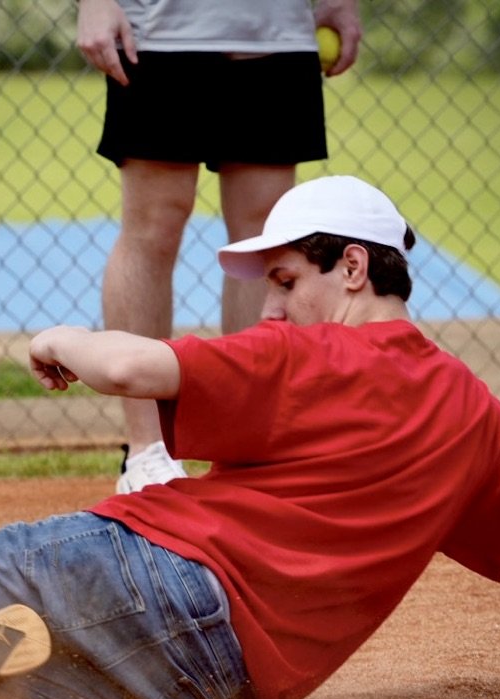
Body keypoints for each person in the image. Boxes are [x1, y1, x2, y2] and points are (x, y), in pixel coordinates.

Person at [0, 175, 500, 699]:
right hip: (225, 690)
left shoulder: (310, 355)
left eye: (286, 281)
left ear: (353, 267)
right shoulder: (481, 418)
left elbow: (133, 368)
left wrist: (59, 338)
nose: (270, 309)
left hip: (169, 570)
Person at [76, 0, 363, 493]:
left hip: (276, 34)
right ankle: (147, 451)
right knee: (152, 228)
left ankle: (243, 449)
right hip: (159, 34)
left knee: (264, 241)